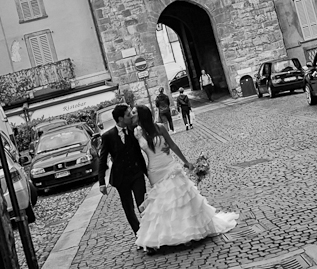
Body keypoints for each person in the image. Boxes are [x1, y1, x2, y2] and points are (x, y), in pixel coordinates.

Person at [133, 105, 238, 251]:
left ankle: (187, 233)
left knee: (179, 198)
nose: (132, 115)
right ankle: (167, 235)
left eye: (134, 113)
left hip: (169, 165)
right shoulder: (137, 132)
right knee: (163, 203)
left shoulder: (160, 127)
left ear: (142, 115)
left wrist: (186, 162)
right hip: (154, 171)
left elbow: (173, 145)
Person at [98, 104, 147, 234]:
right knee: (128, 208)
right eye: (128, 115)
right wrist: (101, 182)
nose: (131, 116)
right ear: (120, 118)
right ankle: (138, 233)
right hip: (121, 178)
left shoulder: (134, 131)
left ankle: (149, 233)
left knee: (143, 204)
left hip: (136, 174)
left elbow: (139, 155)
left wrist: (147, 173)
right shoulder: (108, 136)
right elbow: (102, 159)